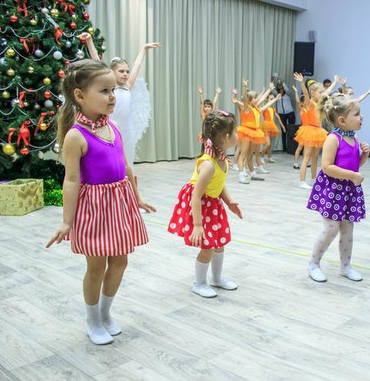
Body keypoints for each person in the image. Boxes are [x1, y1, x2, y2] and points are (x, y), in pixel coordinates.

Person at [46, 59, 155, 345]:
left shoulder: (115, 127)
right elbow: (71, 181)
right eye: (105, 90)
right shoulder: (75, 136)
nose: (112, 96)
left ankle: (106, 313)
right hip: (94, 209)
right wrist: (66, 221)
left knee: (120, 261)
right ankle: (92, 320)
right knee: (96, 267)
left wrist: (137, 196)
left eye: (113, 90)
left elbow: (126, 166)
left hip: (119, 205)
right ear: (80, 96)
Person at [168, 110, 243, 297]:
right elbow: (195, 195)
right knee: (208, 247)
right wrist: (197, 225)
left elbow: (219, 184)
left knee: (220, 244)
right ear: (226, 137)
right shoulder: (208, 164)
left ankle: (216, 279)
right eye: (235, 132)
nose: (237, 135)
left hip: (213, 204)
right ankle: (199, 283)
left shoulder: (221, 158)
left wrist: (229, 201)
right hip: (201, 206)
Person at [306, 93, 369, 282]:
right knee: (331, 228)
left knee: (347, 230)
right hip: (333, 190)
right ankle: (314, 264)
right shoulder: (333, 139)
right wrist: (352, 176)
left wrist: (363, 157)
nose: (361, 117)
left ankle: (345, 266)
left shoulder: (353, 138)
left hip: (348, 191)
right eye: (357, 114)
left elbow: (353, 164)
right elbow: (327, 167)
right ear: (342, 120)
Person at [81, 33, 160, 168]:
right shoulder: (109, 87)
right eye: (121, 71)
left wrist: (144, 49)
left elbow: (137, 65)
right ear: (112, 72)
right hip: (108, 128)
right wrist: (89, 40)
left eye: (127, 72)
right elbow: (96, 60)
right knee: (110, 160)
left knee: (127, 163)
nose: (125, 74)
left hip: (127, 131)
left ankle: (126, 184)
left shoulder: (128, 86)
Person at [294, 73, 337, 189]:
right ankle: (302, 181)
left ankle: (314, 179)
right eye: (319, 92)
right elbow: (306, 93)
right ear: (313, 93)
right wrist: (301, 82)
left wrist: (335, 82)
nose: (322, 94)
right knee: (306, 157)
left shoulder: (319, 104)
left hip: (318, 132)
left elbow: (327, 93)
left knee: (315, 158)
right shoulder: (309, 103)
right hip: (309, 131)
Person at [261, 93, 286, 162]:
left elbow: (278, 117)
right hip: (266, 126)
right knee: (267, 143)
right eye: (270, 99)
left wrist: (282, 126)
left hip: (271, 126)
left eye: (273, 99)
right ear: (267, 99)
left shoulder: (273, 108)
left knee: (269, 144)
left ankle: (270, 157)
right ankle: (261, 157)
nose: (272, 100)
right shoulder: (265, 107)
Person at [272, 81, 295, 152]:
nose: (280, 86)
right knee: (283, 130)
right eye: (278, 85)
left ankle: (292, 146)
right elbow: (272, 90)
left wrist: (284, 84)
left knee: (292, 129)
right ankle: (285, 148)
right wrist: (274, 79)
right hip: (281, 113)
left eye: (281, 85)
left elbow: (288, 91)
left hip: (290, 112)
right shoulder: (276, 94)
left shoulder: (287, 93)